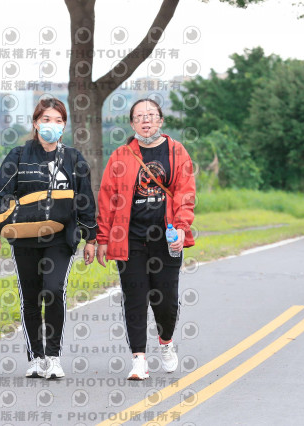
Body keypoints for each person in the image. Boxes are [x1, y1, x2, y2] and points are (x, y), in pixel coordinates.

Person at [0, 98, 97, 379]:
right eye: (46, 119)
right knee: (31, 297)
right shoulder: (18, 156)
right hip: (24, 237)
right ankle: (36, 357)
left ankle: (54, 356)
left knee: (53, 290)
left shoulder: (73, 158)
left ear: (64, 126)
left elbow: (85, 199)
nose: (52, 125)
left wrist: (91, 238)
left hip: (61, 238)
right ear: (36, 123)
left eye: (58, 120)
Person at [96, 98, 196, 380]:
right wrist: (102, 238)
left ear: (160, 120)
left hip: (166, 239)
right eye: (139, 116)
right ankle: (138, 359)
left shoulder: (177, 151)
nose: (146, 120)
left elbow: (185, 192)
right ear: (132, 123)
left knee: (166, 300)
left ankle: (166, 342)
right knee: (135, 299)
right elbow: (107, 198)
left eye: (151, 115)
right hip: (130, 239)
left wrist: (181, 226)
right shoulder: (120, 156)